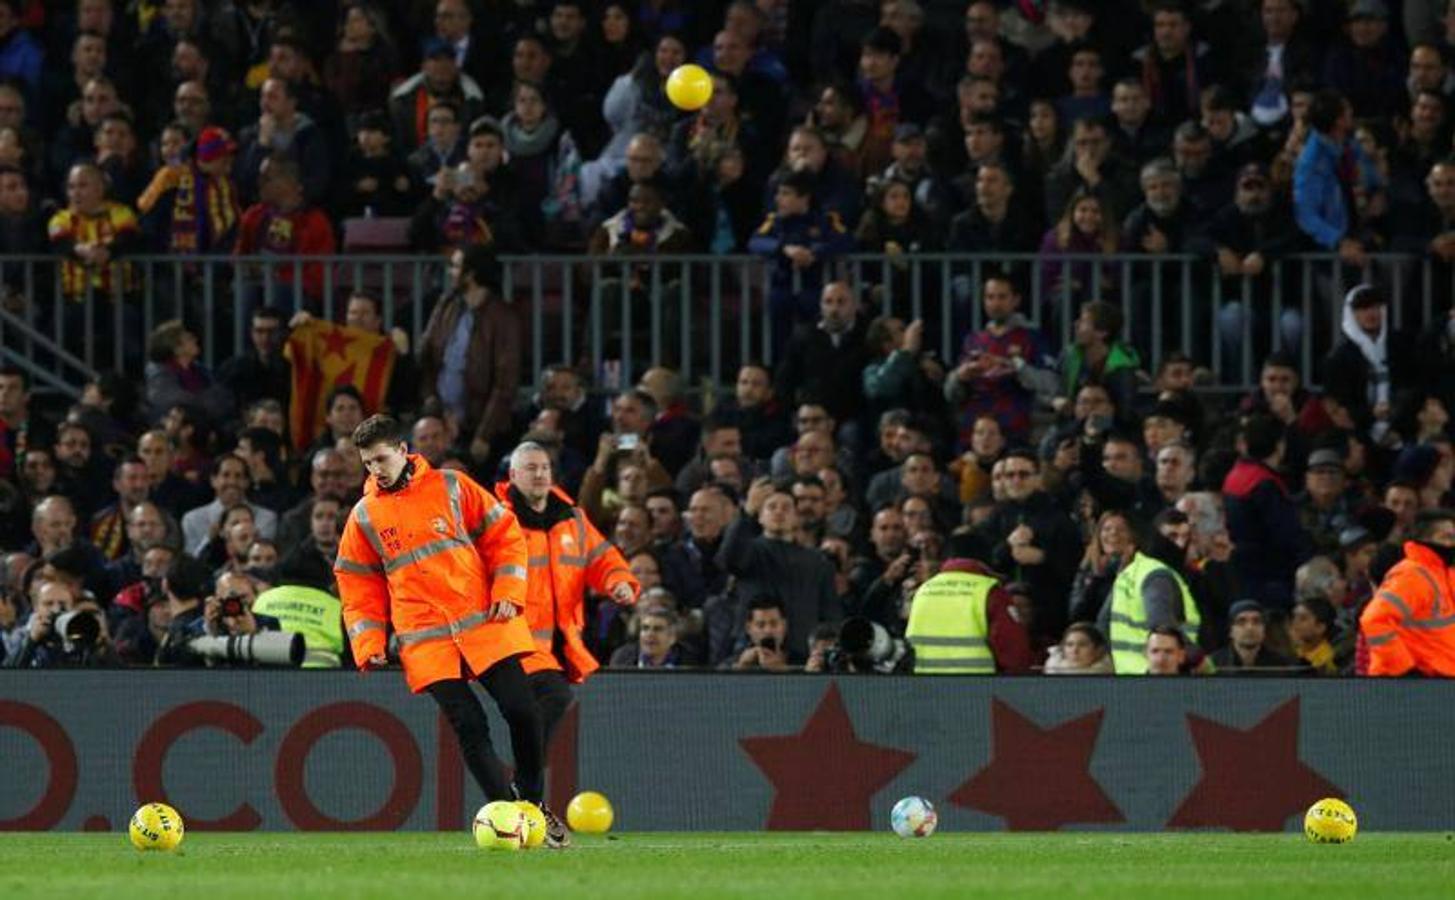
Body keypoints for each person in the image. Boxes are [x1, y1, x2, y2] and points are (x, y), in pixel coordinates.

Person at [334, 415, 568, 847]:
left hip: (484, 621)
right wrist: (367, 642)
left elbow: (504, 535)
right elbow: (355, 584)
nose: (376, 470)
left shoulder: (452, 486)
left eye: (381, 459)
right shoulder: (364, 516)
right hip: (426, 638)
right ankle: (508, 820)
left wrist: (508, 589)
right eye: (368, 463)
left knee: (522, 711)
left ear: (403, 450)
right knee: (469, 725)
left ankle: (531, 806)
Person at [495, 441, 638, 750]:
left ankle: (524, 778)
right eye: (531, 468)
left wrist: (618, 581)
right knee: (555, 697)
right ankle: (526, 774)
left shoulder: (573, 522)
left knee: (548, 707)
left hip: (562, 646)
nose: (540, 475)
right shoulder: (500, 524)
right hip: (516, 643)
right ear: (513, 475)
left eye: (544, 468)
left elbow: (603, 558)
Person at [1361, 507, 1455, 677]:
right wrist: (1404, 670)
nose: (1451, 544)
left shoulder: (1445, 574)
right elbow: (1374, 620)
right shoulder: (1411, 574)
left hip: (1439, 683)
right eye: (1446, 537)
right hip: (1408, 687)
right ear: (1424, 539)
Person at [905, 557, 1033, 673]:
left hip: (923, 684)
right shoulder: (989, 590)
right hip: (976, 687)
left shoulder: (924, 590)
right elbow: (1013, 648)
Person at [1209, 599, 1306, 675]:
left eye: (1256, 621)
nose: (1250, 627)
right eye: (1241, 621)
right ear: (1231, 631)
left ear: (1264, 630)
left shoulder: (1281, 666)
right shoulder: (1214, 664)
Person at [1043, 621, 1113, 674]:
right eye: (1069, 645)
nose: (1074, 650)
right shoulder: (1052, 670)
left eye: (1083, 645)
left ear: (1098, 650)